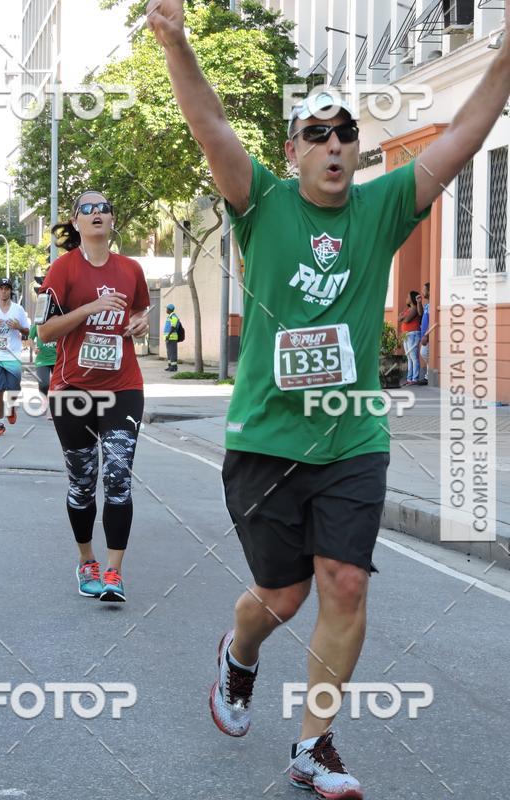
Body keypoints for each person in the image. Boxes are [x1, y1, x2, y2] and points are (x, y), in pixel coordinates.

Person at [148, 1, 510, 796]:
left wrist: (506, 56)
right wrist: (176, 42)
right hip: (265, 438)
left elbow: (463, 137)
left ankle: (314, 745)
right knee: (281, 595)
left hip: (352, 438)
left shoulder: (383, 208)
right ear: (294, 152)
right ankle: (238, 654)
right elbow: (211, 127)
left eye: (347, 132)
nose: (337, 143)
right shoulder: (262, 203)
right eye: (319, 133)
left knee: (344, 582)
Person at [37, 190, 150, 603]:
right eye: (88, 208)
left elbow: (139, 312)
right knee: (83, 483)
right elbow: (45, 333)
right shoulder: (62, 270)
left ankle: (113, 572)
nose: (98, 212)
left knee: (118, 479)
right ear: (76, 221)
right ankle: (86, 560)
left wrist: (139, 326)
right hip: (72, 390)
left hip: (123, 387)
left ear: (112, 220)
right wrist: (90, 308)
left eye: (105, 207)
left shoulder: (131, 268)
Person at [0, 278, 30, 436]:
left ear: (10, 291)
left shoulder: (18, 310)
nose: (4, 291)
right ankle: (0, 423)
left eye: (7, 288)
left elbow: (28, 332)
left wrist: (18, 327)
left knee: (13, 390)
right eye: (1, 288)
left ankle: (12, 408)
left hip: (13, 355)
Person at [28, 289, 57, 418]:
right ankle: (44, 402)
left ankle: (52, 410)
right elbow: (30, 338)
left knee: (56, 386)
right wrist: (34, 347)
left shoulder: (58, 321)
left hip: (57, 358)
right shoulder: (38, 322)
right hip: (42, 359)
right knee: (44, 383)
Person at [398, 291, 421, 386]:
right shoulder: (408, 309)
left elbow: (406, 320)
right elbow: (398, 318)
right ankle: (409, 378)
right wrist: (402, 317)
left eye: (408, 296)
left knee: (413, 357)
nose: (406, 298)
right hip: (406, 335)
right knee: (409, 357)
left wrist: (402, 317)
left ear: (412, 298)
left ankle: (415, 379)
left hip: (413, 334)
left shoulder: (415, 308)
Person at [417, 282, 430, 385]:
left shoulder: (432, 305)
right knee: (425, 353)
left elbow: (431, 320)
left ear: (429, 291)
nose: (422, 291)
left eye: (424, 290)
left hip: (428, 335)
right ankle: (427, 376)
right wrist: (419, 303)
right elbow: (421, 313)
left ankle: (428, 376)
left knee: (424, 353)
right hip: (424, 334)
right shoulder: (427, 305)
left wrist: (427, 335)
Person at [163, 303, 179, 371]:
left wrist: (168, 336)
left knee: (172, 352)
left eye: (166, 308)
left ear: (169, 309)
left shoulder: (173, 317)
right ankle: (170, 366)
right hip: (168, 337)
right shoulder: (169, 316)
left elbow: (173, 327)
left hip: (172, 337)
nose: (166, 310)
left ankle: (174, 367)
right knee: (169, 352)